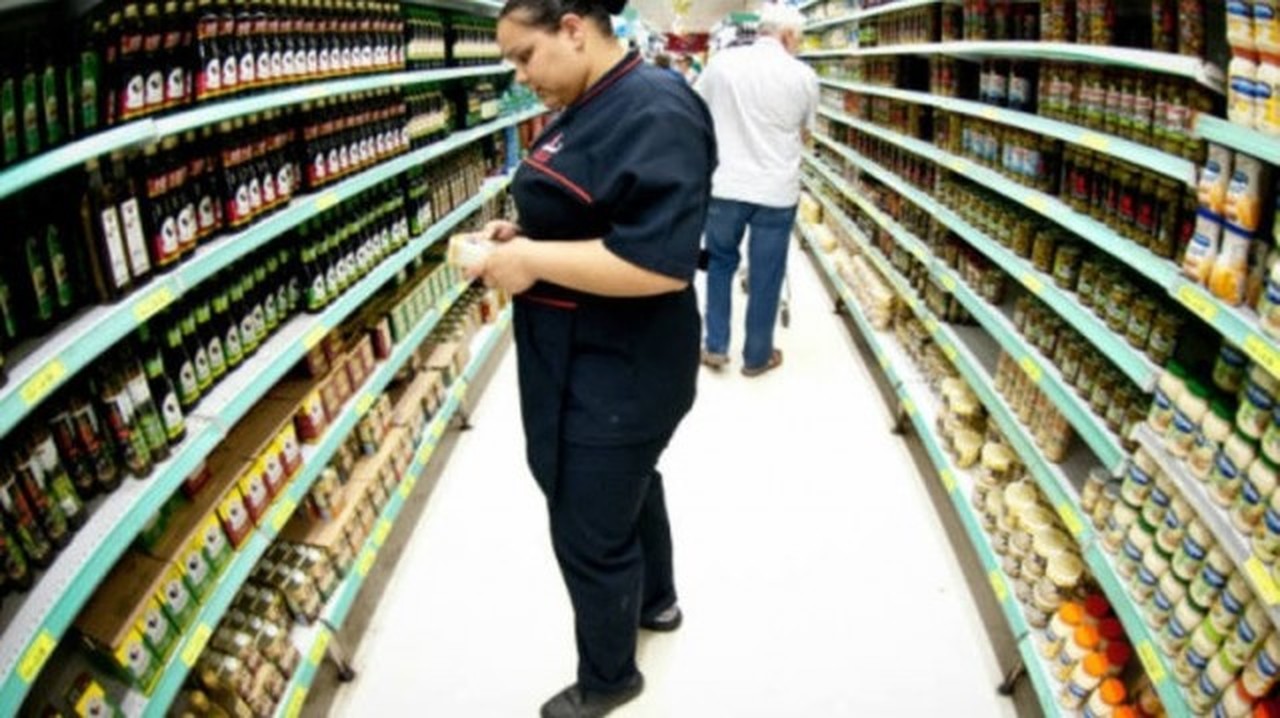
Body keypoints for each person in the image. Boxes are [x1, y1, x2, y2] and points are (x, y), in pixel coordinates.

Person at [471, 1, 716, 716]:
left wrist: (531, 261)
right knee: (632, 486)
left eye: (525, 56)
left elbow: (658, 264)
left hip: (621, 366)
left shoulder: (655, 110)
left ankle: (610, 678)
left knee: (587, 526)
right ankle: (657, 602)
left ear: (573, 29)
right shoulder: (592, 99)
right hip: (596, 354)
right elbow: (595, 207)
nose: (521, 76)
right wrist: (526, 233)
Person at [694, 3, 817, 377]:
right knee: (767, 275)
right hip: (776, 191)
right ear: (788, 35)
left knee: (720, 263)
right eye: (798, 39)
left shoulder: (721, 64)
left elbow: (696, 111)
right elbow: (806, 133)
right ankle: (757, 356)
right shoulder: (803, 75)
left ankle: (715, 345)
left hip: (726, 185)